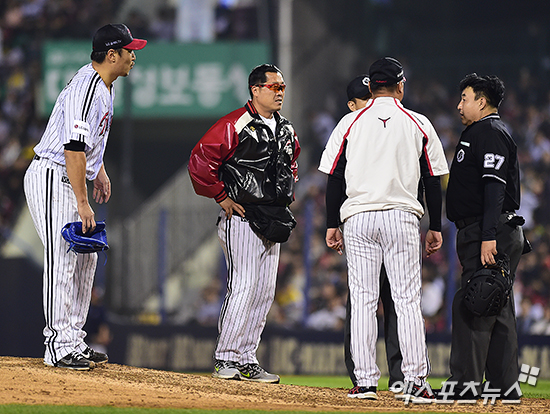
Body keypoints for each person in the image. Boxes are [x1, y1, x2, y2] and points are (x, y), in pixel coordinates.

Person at [319, 57, 448, 401]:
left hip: (358, 218)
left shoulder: (350, 122)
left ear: (372, 87)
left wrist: (331, 223)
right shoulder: (418, 122)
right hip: (401, 217)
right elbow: (432, 179)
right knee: (406, 300)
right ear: (400, 86)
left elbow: (334, 178)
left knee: (362, 300)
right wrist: (435, 225)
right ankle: (415, 380)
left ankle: (364, 383)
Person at [23, 24, 147, 370]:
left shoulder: (105, 86)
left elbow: (89, 142)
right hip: (53, 176)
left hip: (68, 175)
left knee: (85, 257)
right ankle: (57, 345)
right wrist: (82, 200)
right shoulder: (88, 87)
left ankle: (74, 339)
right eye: (129, 50)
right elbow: (73, 148)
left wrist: (99, 170)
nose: (133, 56)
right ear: (112, 55)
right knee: (63, 258)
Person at [188, 63, 300, 384]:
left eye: (282, 87)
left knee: (264, 292)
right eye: (274, 86)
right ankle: (226, 356)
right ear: (256, 89)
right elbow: (200, 161)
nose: (280, 92)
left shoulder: (286, 128)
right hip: (242, 217)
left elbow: (292, 162)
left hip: (273, 218)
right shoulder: (235, 123)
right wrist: (221, 195)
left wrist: (287, 189)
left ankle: (246, 358)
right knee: (244, 285)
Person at [444, 73, 525, 401]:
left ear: (482, 101)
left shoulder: (489, 132)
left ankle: (465, 385)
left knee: (475, 302)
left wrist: (488, 235)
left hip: (487, 229)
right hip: (489, 228)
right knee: (496, 305)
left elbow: (494, 187)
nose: (459, 105)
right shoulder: (483, 131)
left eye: (464, 98)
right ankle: (505, 387)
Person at [341, 74, 405, 392]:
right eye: (365, 100)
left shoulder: (395, 127)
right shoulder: (349, 131)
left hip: (394, 224)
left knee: (398, 302)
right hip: (362, 225)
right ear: (352, 105)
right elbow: (335, 179)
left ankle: (401, 376)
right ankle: (361, 374)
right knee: (361, 301)